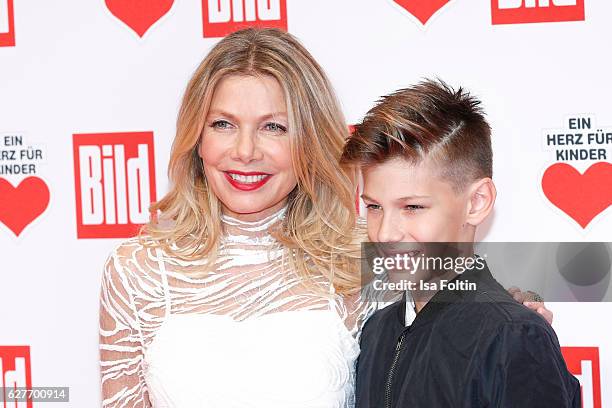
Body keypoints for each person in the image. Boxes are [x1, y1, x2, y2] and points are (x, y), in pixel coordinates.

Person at [99, 28, 552, 407]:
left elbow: (435, 332)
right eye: (223, 123)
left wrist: (513, 315)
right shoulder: (137, 271)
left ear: (310, 140)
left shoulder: (366, 255)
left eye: (274, 127)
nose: (245, 151)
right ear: (197, 137)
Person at [341, 79, 580, 407]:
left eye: (412, 207)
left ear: (477, 202)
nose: (385, 234)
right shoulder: (376, 333)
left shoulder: (511, 335)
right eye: (374, 207)